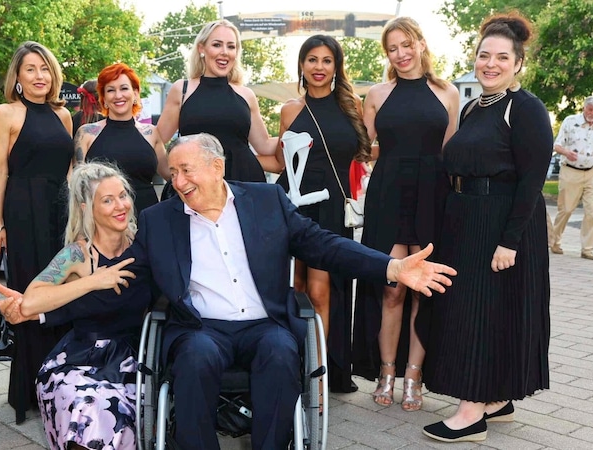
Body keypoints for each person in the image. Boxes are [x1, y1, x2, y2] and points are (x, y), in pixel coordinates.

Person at [135, 133, 457, 449]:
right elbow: (130, 273)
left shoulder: (266, 201)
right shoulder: (159, 221)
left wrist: (391, 267)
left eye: (186, 170)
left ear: (217, 167)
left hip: (264, 324)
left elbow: (323, 244)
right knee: (195, 357)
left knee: (280, 352)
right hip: (201, 328)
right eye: (173, 173)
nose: (178, 183)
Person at [419, 13, 552, 443]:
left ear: (518, 64)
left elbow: (532, 181)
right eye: (483, 55)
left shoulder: (526, 109)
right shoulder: (475, 106)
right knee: (476, 313)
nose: (490, 64)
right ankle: (497, 400)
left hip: (500, 225)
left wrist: (509, 241)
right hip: (466, 221)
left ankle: (471, 413)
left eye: (501, 57)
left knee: (479, 315)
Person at [0, 162, 151, 450]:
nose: (121, 206)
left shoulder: (142, 244)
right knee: (84, 404)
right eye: (108, 199)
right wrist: (92, 281)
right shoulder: (78, 254)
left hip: (132, 358)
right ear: (86, 207)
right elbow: (32, 300)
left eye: (123, 195)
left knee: (106, 409)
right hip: (80, 358)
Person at [351, 17, 459, 412]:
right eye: (392, 48)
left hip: (433, 195)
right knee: (392, 287)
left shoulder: (447, 93)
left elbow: (451, 154)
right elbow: (362, 151)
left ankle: (414, 375)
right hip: (389, 195)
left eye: (406, 44)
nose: (401, 53)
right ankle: (386, 371)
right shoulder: (377, 94)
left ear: (421, 44)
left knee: (423, 291)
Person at [273, 35, 372, 393]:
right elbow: (278, 160)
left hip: (331, 205)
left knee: (320, 290)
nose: (318, 66)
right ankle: (291, 362)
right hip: (293, 203)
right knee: (294, 286)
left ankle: (319, 371)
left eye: (326, 60)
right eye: (311, 59)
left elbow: (365, 153)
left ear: (336, 66)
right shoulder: (289, 110)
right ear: (301, 65)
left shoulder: (352, 107)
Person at [0, 41, 76, 424]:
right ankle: (25, 391)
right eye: (31, 69)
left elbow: (70, 172)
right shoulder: (6, 113)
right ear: (18, 77)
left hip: (60, 212)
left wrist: (78, 220)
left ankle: (58, 385)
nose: (40, 76)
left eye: (45, 68)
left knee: (60, 294)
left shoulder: (64, 116)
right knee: (28, 292)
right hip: (23, 211)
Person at [155, 19, 282, 180]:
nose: (224, 52)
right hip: (195, 186)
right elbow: (157, 140)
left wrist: (296, 129)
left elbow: (264, 145)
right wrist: (172, 175)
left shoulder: (246, 95)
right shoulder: (182, 90)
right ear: (202, 48)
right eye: (217, 45)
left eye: (231, 46)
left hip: (244, 184)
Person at [75, 63, 169, 213]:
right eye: (111, 90)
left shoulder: (151, 133)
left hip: (147, 219)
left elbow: (171, 175)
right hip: (103, 221)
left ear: (136, 94)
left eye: (124, 88)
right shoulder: (86, 134)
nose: (118, 95)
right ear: (104, 99)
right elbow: (77, 186)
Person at [549, 96, 593, 260]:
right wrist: (567, 152)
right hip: (570, 171)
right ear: (584, 108)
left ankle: (587, 249)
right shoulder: (570, 121)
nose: (592, 113)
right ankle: (554, 242)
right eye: (590, 109)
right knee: (566, 209)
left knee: (591, 212)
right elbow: (557, 145)